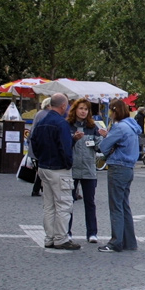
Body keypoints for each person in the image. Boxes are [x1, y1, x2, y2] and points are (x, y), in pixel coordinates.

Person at [28, 93, 80, 250]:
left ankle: (49, 237)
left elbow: (33, 141)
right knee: (64, 204)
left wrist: (40, 159)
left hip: (44, 166)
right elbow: (64, 147)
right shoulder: (61, 124)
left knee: (49, 205)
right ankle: (61, 238)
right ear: (63, 106)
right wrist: (68, 163)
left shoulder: (42, 121)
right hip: (59, 168)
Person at [97, 99, 142, 253]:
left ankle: (116, 241)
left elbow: (103, 147)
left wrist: (106, 137)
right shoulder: (132, 127)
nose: (109, 114)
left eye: (110, 111)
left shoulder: (120, 127)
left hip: (118, 166)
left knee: (116, 205)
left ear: (115, 111)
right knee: (124, 204)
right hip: (129, 168)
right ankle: (129, 241)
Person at [66, 98, 100, 244]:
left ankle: (92, 233)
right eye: (81, 108)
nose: (83, 111)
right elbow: (63, 145)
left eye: (86, 109)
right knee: (68, 202)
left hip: (88, 169)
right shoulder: (68, 125)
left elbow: (100, 148)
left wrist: (102, 138)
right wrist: (73, 139)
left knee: (90, 202)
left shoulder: (93, 127)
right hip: (72, 169)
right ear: (75, 110)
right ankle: (67, 232)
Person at [28, 97, 52, 197]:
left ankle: (38, 188)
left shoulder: (39, 113)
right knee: (42, 169)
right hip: (41, 147)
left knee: (40, 168)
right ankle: (37, 189)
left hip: (35, 146)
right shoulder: (46, 114)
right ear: (48, 105)